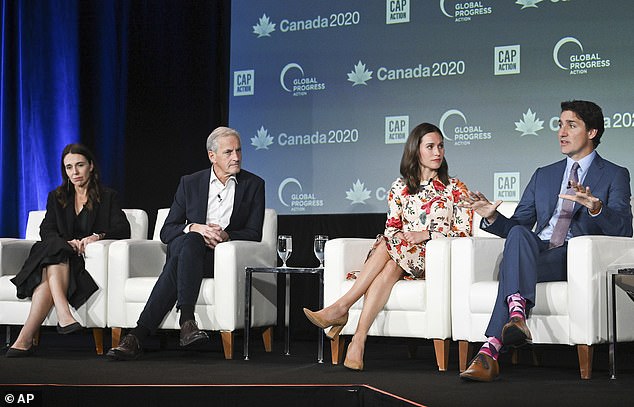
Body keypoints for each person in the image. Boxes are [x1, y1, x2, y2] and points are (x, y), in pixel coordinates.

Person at [459, 100, 633, 382]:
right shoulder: (544, 174)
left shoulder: (615, 174)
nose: (561, 132)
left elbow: (624, 230)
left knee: (513, 268)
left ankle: (491, 349)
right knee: (517, 234)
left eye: (571, 125)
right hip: (539, 250)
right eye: (559, 124)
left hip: (574, 256)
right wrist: (493, 218)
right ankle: (516, 316)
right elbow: (518, 226)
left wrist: (596, 208)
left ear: (592, 132)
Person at [304, 123, 472, 371]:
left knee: (388, 245)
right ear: (416, 151)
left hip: (433, 258)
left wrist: (425, 233)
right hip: (397, 254)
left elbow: (463, 232)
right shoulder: (399, 187)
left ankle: (341, 307)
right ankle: (358, 341)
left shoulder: (455, 188)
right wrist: (401, 239)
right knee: (390, 256)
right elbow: (391, 227)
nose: (438, 152)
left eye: (440, 146)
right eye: (430, 147)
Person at [106, 126, 265, 361]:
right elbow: (167, 230)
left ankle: (138, 336)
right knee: (190, 240)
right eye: (229, 152)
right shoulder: (190, 183)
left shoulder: (254, 184)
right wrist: (195, 227)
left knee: (179, 258)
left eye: (239, 151)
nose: (236, 157)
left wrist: (226, 237)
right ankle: (187, 322)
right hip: (191, 253)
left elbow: (253, 233)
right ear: (212, 156)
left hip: (221, 260)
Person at [6, 144, 131, 358]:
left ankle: (24, 338)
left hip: (82, 262)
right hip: (60, 256)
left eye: (80, 165)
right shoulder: (57, 196)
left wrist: (97, 236)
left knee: (52, 257)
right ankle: (62, 316)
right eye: (69, 167)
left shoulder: (107, 196)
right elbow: (46, 229)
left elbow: (122, 228)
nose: (74, 172)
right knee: (55, 249)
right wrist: (68, 243)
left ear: (91, 166)